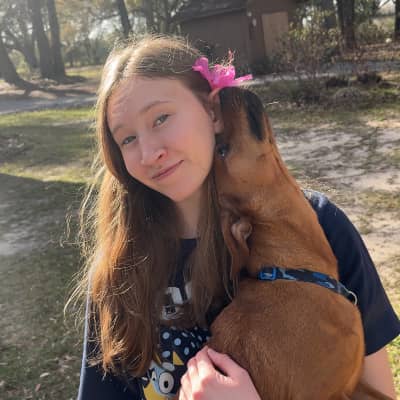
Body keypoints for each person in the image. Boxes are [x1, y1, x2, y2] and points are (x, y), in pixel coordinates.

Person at [75, 34, 400, 400]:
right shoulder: (119, 272)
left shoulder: (319, 226)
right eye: (127, 139)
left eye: (161, 118)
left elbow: (375, 392)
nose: (149, 153)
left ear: (213, 111)